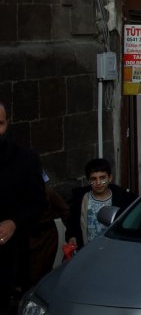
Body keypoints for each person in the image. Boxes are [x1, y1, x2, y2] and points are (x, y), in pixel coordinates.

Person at [0, 99, 47, 313]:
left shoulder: (26, 159)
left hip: (10, 257)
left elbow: (38, 203)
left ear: (7, 123)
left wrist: (14, 222)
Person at [65, 158, 137, 249]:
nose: (98, 183)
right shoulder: (80, 199)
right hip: (88, 251)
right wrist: (72, 236)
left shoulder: (122, 199)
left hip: (112, 250)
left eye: (102, 178)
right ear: (88, 180)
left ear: (110, 178)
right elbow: (72, 223)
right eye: (93, 179)